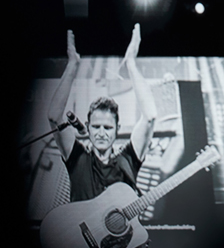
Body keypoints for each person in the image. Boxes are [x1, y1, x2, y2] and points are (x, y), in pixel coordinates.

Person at [47, 23, 157, 202]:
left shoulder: (128, 159)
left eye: (107, 127)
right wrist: (72, 66)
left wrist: (130, 63)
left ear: (117, 129)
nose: (101, 133)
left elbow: (150, 117)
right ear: (88, 127)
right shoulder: (78, 158)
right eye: (96, 127)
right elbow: (54, 116)